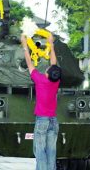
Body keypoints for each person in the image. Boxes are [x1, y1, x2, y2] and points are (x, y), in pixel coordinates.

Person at [21, 34, 61, 170]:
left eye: (48, 69)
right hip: (53, 121)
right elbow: (54, 64)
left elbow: (29, 63)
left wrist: (25, 46)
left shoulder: (40, 80)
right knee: (51, 152)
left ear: (48, 74)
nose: (47, 68)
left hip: (42, 121)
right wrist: (52, 46)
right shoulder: (56, 81)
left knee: (40, 152)